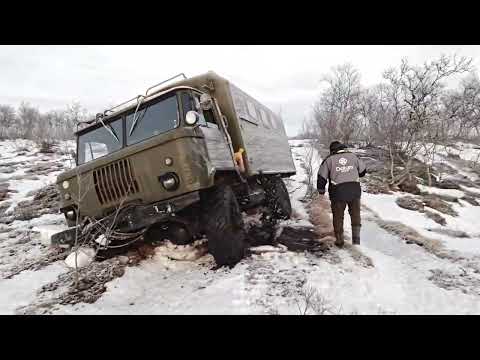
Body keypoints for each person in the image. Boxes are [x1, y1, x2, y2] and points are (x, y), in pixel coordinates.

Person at [317, 141, 366, 247]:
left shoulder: (329, 160)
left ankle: (339, 241)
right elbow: (363, 172)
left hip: (337, 192)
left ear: (332, 150)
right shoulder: (353, 157)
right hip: (354, 191)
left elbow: (321, 177)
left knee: (338, 217)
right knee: (355, 215)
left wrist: (321, 191)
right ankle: (356, 241)